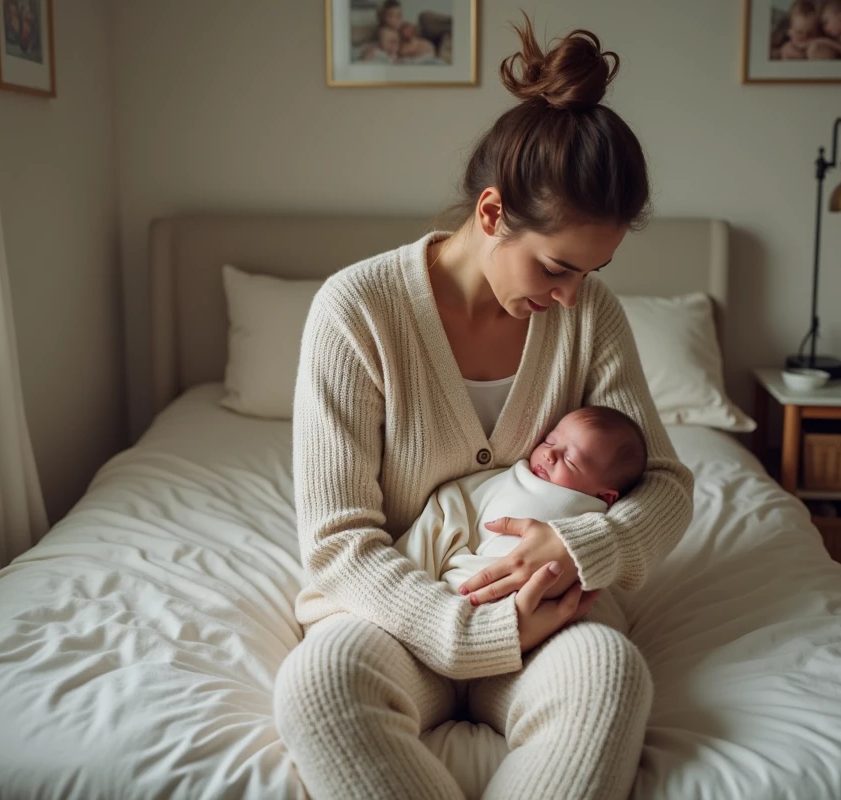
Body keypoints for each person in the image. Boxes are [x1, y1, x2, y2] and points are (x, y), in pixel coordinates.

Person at [274, 14, 695, 800]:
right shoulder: (356, 310)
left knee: (610, 676)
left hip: (554, 617)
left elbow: (668, 485)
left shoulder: (589, 313)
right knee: (316, 689)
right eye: (558, 267)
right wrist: (465, 633)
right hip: (395, 619)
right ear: (494, 214)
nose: (573, 295)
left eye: (592, 271)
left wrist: (583, 552)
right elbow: (337, 541)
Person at [393, 406, 647, 604]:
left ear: (606, 497)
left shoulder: (596, 518)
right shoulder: (512, 479)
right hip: (466, 587)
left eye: (570, 460)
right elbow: (450, 505)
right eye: (550, 440)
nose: (549, 454)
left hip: (551, 607)